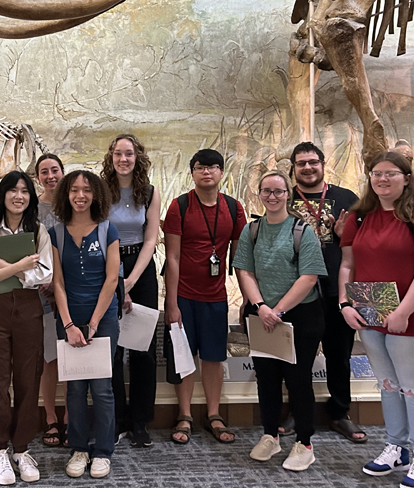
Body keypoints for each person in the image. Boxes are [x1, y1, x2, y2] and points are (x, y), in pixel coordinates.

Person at [338, 152, 414, 488]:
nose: (382, 179)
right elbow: (347, 265)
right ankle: (397, 447)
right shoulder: (359, 216)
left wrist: (403, 312)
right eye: (376, 173)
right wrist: (345, 303)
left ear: (406, 177)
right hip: (371, 310)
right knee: (388, 386)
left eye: (390, 174)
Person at [233, 170, 327, 472]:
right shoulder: (252, 231)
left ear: (289, 194)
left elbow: (309, 276)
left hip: (298, 316)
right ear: (259, 194)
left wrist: (279, 311)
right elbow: (244, 271)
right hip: (261, 315)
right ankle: (270, 435)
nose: (272, 197)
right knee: (267, 379)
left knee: (298, 381)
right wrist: (260, 306)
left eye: (278, 191)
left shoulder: (302, 230)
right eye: (266, 191)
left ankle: (304, 443)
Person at [0, 171, 53, 485]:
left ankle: (21, 448)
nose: (19, 196)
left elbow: (45, 273)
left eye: (24, 191)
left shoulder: (39, 231)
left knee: (29, 376)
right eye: (13, 191)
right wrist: (22, 266)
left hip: (30, 309)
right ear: (2, 195)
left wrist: (6, 269)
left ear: (30, 198)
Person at [162, 149, 245, 445]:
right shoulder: (179, 206)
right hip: (183, 296)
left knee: (213, 357)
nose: (206, 172)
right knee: (184, 359)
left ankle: (213, 414)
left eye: (212, 167)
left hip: (216, 297)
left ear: (222, 172)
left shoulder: (234, 209)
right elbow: (171, 257)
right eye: (200, 168)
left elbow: (240, 258)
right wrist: (171, 304)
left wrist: (249, 298)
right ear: (192, 173)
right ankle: (184, 415)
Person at [284, 142, 365, 443]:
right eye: (301, 163)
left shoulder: (347, 199)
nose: (307, 168)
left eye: (313, 162)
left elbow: (367, 245)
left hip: (337, 292)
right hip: (297, 293)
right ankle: (297, 411)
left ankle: (340, 413)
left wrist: (346, 237)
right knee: (297, 358)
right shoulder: (284, 198)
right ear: (293, 168)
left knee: (339, 355)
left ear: (323, 164)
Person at [49, 170, 120, 479]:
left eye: (86, 190)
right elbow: (57, 283)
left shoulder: (108, 230)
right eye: (74, 190)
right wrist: (68, 325)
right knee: (75, 388)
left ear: (96, 195)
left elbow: (112, 279)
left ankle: (103, 451)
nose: (80, 195)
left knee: (103, 389)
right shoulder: (56, 233)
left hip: (102, 319)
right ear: (66, 194)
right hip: (68, 319)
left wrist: (92, 323)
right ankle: (79, 448)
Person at [101, 134, 161, 448]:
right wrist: (116, 279)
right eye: (118, 154)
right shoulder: (100, 190)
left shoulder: (150, 192)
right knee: (111, 349)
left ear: (137, 157)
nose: (123, 159)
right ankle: (115, 420)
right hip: (108, 265)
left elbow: (151, 239)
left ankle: (140, 422)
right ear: (110, 158)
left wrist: (132, 280)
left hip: (141, 268)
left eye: (129, 154)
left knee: (142, 350)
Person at [35, 154, 69, 448]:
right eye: (44, 172)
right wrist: (43, 280)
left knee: (72, 354)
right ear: (38, 177)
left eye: (54, 170)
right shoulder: (32, 207)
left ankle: (71, 416)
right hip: (42, 292)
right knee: (50, 358)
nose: (50, 176)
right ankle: (50, 418)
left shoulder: (75, 203)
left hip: (73, 291)